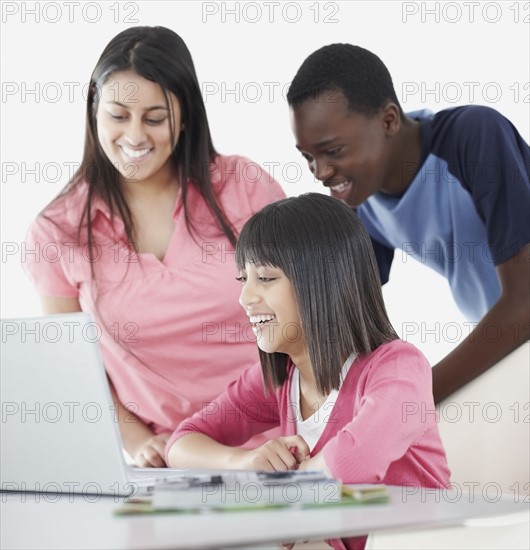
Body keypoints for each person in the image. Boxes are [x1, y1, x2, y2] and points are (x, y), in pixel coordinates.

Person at [23, 26, 285, 467]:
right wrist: (136, 440)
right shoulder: (57, 231)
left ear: (184, 117)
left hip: (279, 439)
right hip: (169, 458)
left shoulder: (245, 188)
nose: (135, 136)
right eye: (118, 115)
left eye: (155, 118)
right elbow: (73, 367)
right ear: (93, 112)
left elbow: (309, 316)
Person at [166, 193, 451, 550]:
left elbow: (355, 459)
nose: (245, 297)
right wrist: (245, 460)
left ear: (323, 281)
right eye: (244, 279)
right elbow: (182, 443)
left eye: (266, 278)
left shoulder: (398, 368)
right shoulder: (281, 379)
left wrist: (283, 498)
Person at [286, 44, 530, 404]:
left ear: (388, 120)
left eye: (333, 151)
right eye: (308, 157)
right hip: (508, 352)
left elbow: (525, 304)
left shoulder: (474, 137)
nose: (320, 173)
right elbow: (345, 324)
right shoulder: (360, 204)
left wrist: (410, 397)